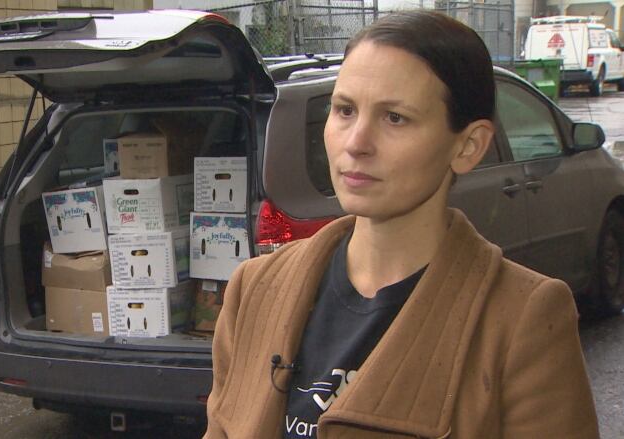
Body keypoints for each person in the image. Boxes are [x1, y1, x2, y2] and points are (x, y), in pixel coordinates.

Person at [203, 10, 599, 439]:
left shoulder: (521, 320)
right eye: (344, 110)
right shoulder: (254, 291)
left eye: (395, 118)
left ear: (468, 146)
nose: (356, 143)